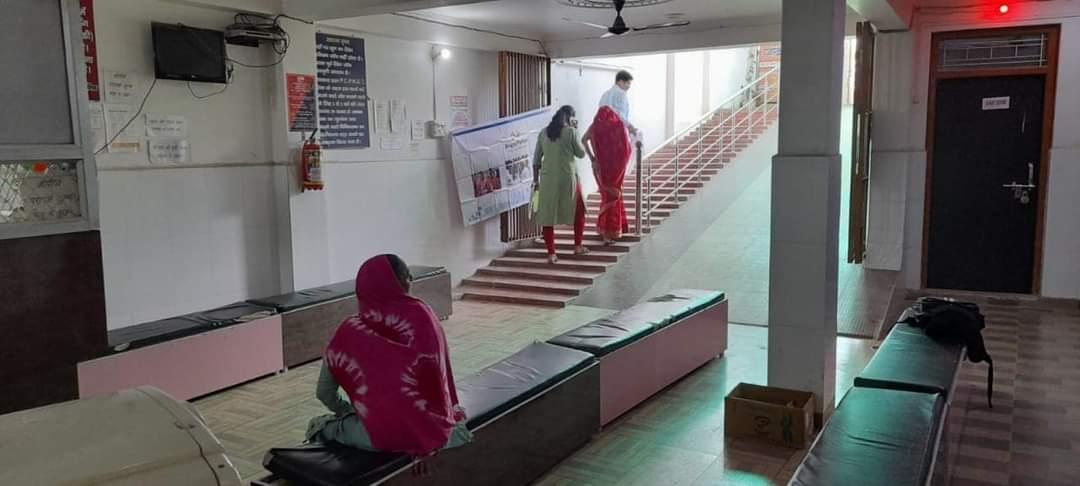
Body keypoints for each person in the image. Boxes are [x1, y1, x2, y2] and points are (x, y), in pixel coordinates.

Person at [306, 254, 471, 459]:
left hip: (378, 436)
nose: (411, 280)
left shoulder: (348, 332)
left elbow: (324, 393)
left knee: (319, 425)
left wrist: (352, 412)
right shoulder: (424, 316)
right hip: (434, 429)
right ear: (398, 284)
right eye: (407, 276)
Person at [533, 105, 588, 264]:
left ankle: (551, 254)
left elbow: (536, 161)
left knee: (547, 216)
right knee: (579, 211)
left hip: (547, 181)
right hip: (567, 179)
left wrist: (536, 182)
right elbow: (581, 153)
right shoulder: (571, 132)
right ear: (570, 118)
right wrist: (576, 130)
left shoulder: (543, 133)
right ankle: (577, 246)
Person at [582, 105, 632, 244]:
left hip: (600, 169)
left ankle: (610, 230)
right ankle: (608, 233)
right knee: (614, 197)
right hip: (615, 169)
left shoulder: (595, 126)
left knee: (607, 197)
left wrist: (592, 158)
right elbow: (626, 148)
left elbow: (583, 140)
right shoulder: (617, 127)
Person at [598, 70, 638, 137]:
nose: (629, 86)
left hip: (603, 130)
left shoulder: (607, 93)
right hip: (615, 130)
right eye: (628, 83)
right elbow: (617, 114)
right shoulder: (620, 93)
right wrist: (629, 125)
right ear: (620, 81)